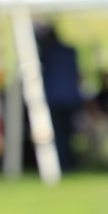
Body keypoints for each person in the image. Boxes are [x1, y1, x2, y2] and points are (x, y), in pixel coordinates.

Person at [36, 23, 83, 172]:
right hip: (71, 98)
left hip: (54, 99)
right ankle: (70, 162)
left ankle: (63, 164)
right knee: (68, 134)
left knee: (59, 134)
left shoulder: (46, 52)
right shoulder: (70, 51)